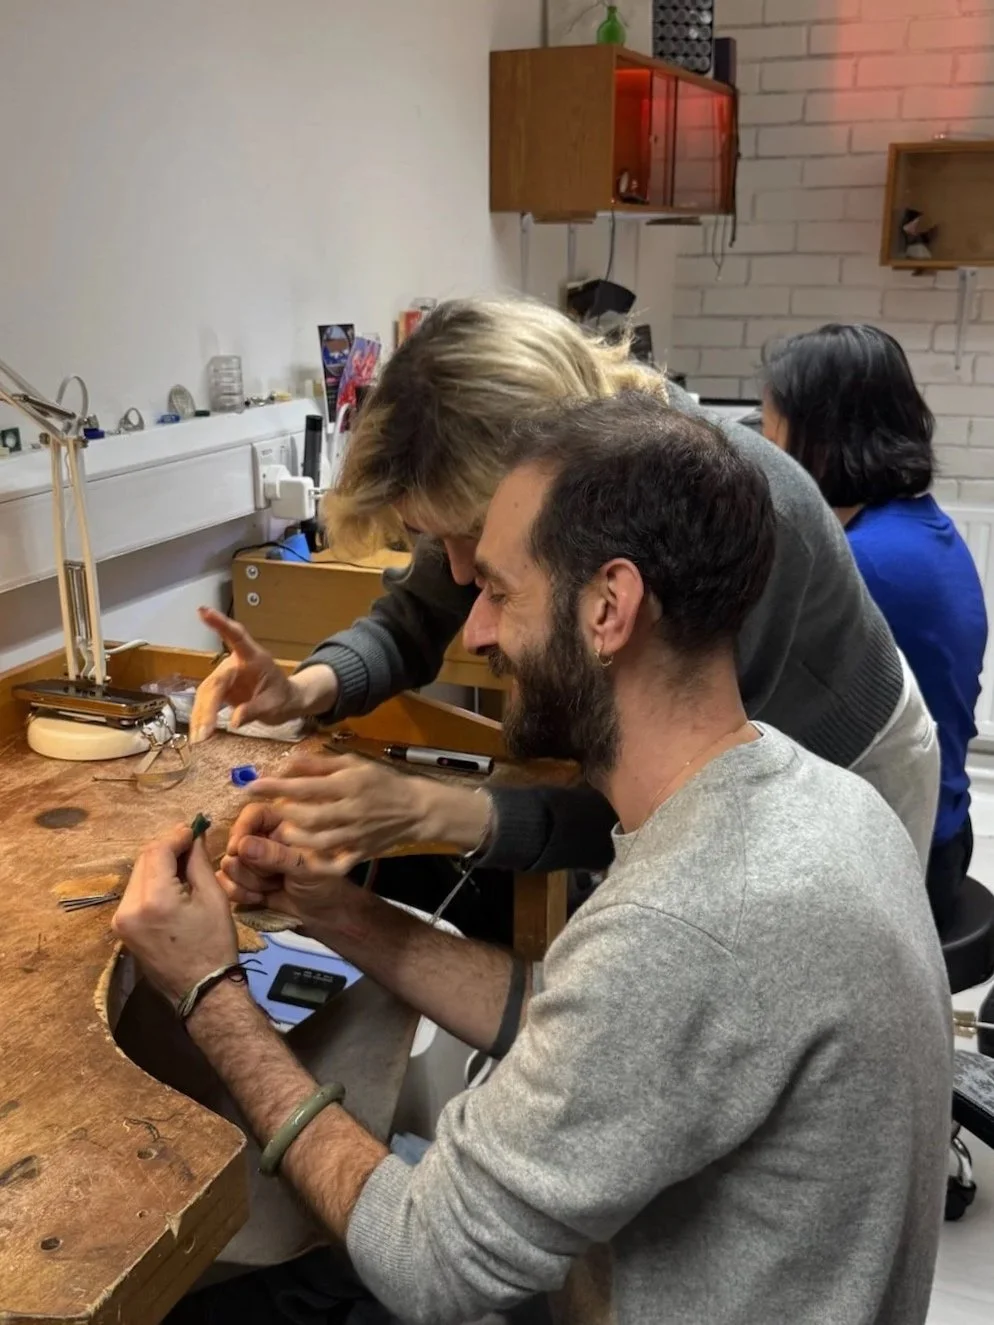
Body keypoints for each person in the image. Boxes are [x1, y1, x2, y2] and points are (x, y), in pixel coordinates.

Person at [117, 395, 951, 1324]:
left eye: (500, 592)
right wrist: (334, 912)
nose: (475, 631)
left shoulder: (687, 922)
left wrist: (210, 990)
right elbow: (574, 1017)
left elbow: (426, 1260)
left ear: (608, 608)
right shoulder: (816, 800)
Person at [190, 296, 939, 878]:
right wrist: (304, 688)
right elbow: (418, 614)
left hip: (841, 756)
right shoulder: (531, 483)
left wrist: (443, 810)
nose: (460, 575)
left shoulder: (741, 515)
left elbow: (676, 801)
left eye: (470, 540)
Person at [761, 324, 988, 934]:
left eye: (774, 430)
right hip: (939, 831)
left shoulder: (869, 562)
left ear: (824, 436)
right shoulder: (913, 528)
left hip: (905, 856)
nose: (768, 451)